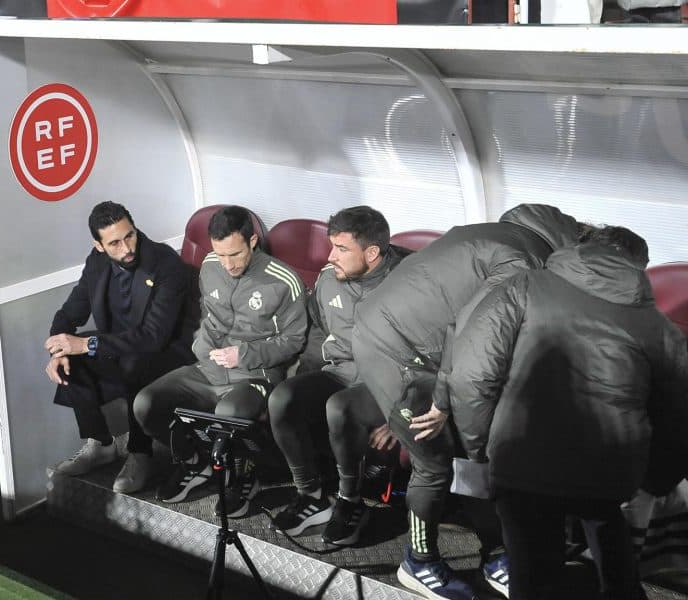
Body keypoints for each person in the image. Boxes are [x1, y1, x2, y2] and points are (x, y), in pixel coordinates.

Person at [349, 204, 583, 600]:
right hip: (398, 351)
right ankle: (417, 562)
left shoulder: (495, 233)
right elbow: (470, 331)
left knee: (468, 454)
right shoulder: (524, 262)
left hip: (411, 341)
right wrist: (442, 401)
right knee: (434, 460)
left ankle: (495, 556)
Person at [447, 226, 688, 600]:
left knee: (533, 574)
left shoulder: (524, 287)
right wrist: (654, 481)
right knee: (612, 549)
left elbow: (470, 377)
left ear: (580, 249)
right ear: (638, 267)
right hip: (612, 470)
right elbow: (678, 416)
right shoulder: (658, 327)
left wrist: (481, 450)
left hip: (523, 461)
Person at [133, 205, 307, 518]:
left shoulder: (284, 280)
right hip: (209, 369)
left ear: (253, 241)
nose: (227, 264)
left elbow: (294, 342)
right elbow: (209, 318)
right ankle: (194, 463)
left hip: (255, 374)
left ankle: (244, 476)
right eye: (221, 254)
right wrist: (202, 344)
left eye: (235, 254)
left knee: (229, 414)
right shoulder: (211, 264)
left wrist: (245, 354)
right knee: (146, 403)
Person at [267, 206, 409, 545]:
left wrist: (400, 416)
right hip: (341, 369)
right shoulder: (330, 278)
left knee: (339, 407)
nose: (330, 257)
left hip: (386, 383)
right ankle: (311, 496)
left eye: (341, 249)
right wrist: (305, 376)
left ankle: (350, 501)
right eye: (332, 246)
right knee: (283, 398)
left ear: (372, 253)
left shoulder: (409, 286)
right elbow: (318, 328)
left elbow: (430, 359)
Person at [44, 201, 195, 494]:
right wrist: (59, 349)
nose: (126, 248)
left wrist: (86, 344)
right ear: (98, 245)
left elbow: (153, 336)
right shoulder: (97, 262)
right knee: (73, 359)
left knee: (132, 362)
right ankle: (100, 443)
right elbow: (69, 312)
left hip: (169, 351)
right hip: (121, 345)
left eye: (130, 236)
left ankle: (140, 453)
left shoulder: (165, 263)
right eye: (114, 242)